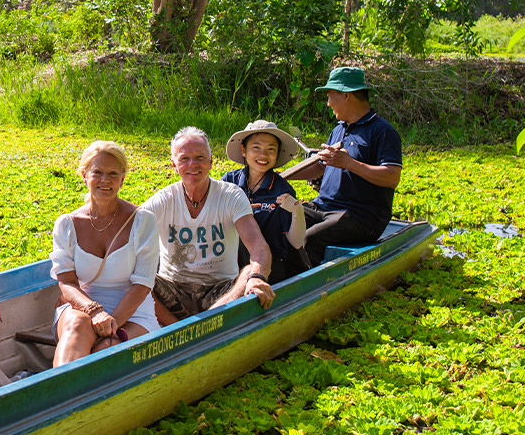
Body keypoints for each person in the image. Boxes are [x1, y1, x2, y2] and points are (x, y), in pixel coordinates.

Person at [141, 127, 275, 326]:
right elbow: (129, 230)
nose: (193, 164)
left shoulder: (231, 195)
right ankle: (173, 329)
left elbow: (259, 246)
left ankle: (209, 324)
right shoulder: (164, 199)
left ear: (211, 162)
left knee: (248, 273)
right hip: (172, 290)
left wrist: (256, 277)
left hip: (220, 291)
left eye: (200, 157)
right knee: (136, 277)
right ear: (174, 165)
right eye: (184, 158)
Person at [50, 141, 161, 366]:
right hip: (83, 308)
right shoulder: (67, 224)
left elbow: (143, 284)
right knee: (75, 329)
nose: (105, 180)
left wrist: (111, 324)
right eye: (97, 172)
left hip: (135, 313)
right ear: (84, 175)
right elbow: (67, 282)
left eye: (113, 173)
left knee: (107, 349)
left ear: (122, 178)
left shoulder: (143, 221)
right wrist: (94, 311)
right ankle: (60, 394)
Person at [289, 67, 403, 266]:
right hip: (323, 206)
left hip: (360, 216)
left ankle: (306, 289)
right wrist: (282, 175)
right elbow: (321, 167)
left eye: (330, 96)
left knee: (308, 238)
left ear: (347, 95)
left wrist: (349, 163)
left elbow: (392, 177)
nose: (328, 103)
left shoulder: (383, 131)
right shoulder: (338, 130)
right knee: (278, 219)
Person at [220, 120, 308, 283]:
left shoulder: (282, 190)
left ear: (277, 154)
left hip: (270, 266)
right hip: (230, 262)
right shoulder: (229, 181)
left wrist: (297, 211)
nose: (263, 155)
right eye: (256, 148)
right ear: (243, 150)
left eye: (270, 149)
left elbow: (296, 243)